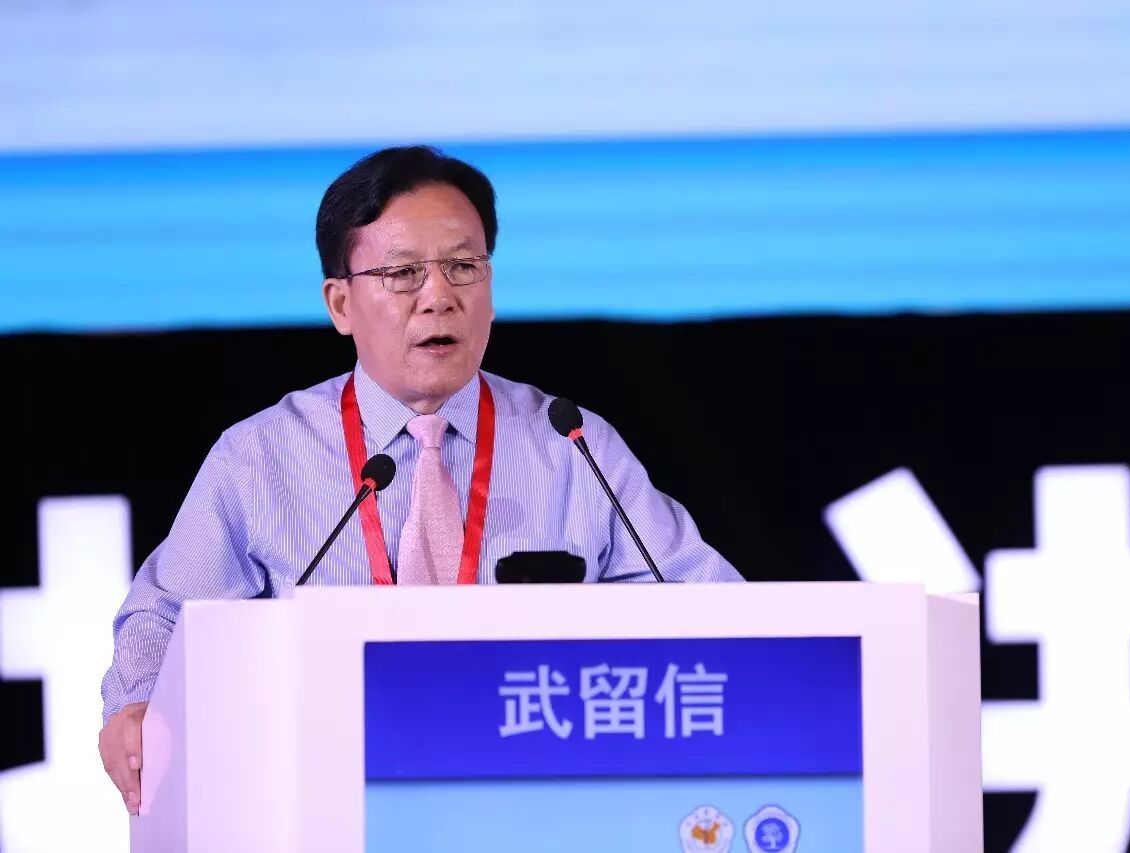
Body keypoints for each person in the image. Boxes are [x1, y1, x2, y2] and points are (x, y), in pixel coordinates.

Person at [97, 145, 742, 814]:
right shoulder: (261, 458)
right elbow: (163, 614)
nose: (439, 298)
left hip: (534, 796)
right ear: (341, 303)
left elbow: (715, 607)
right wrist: (137, 702)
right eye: (403, 273)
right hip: (325, 799)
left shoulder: (572, 444)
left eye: (463, 266)